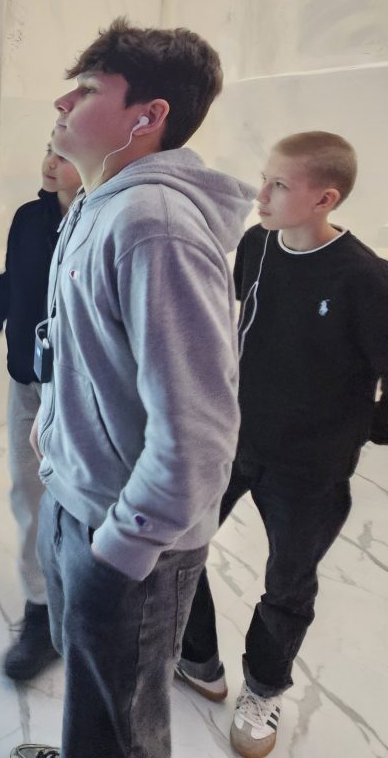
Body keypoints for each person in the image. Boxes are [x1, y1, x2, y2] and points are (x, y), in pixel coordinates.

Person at [14, 17, 253, 758]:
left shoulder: (156, 225)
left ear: (147, 117)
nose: (62, 102)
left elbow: (199, 433)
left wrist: (121, 547)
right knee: (92, 691)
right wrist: (53, 435)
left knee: (121, 725)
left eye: (87, 89)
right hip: (78, 500)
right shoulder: (98, 202)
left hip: (124, 533)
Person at [176, 131, 388, 758]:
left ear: (325, 199)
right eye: (264, 178)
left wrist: (364, 429)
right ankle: (197, 657)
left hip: (310, 470)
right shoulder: (257, 244)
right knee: (178, 545)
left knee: (288, 585)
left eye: (278, 185)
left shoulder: (366, 278)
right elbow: (237, 319)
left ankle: (263, 689)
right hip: (231, 439)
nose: (260, 194)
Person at [0, 146, 81, 680]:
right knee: (28, 493)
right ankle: (41, 611)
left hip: (78, 394)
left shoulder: (102, 224)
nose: (50, 161)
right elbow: (12, 280)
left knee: (80, 503)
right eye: (48, 150)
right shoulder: (28, 218)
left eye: (64, 154)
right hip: (27, 383)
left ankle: (83, 602)